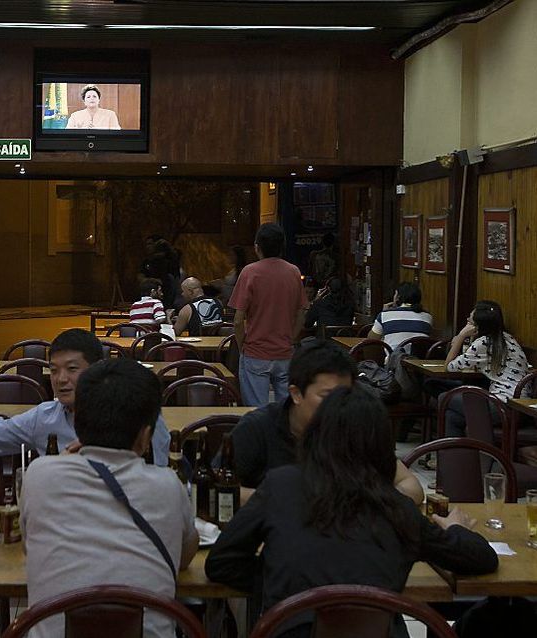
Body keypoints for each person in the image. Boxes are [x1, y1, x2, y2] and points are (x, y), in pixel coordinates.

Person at [206, 386, 498, 638]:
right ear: (383, 446)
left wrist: (276, 578)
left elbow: (220, 562)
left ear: (316, 436)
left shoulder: (282, 485)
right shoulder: (397, 509)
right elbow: (482, 559)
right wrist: (456, 527)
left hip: (285, 629)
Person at [21, 358, 199, 638]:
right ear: (146, 436)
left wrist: (62, 462)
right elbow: (185, 557)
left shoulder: (38, 475)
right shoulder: (168, 485)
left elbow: (28, 544)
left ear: (78, 425)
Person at [0, 329, 172, 486]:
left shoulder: (137, 416)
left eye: (72, 370)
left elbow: (156, 476)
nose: (61, 380)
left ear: (98, 370)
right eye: (54, 371)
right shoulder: (46, 417)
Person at [229, 340, 423, 505]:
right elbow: (215, 491)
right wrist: (295, 500)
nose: (339, 403)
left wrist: (364, 503)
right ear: (296, 393)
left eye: (346, 394)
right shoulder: (257, 428)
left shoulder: (354, 426)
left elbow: (411, 487)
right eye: (327, 395)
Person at [230, 223, 308, 407]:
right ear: (282, 246)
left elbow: (238, 320)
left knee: (257, 411)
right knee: (287, 411)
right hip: (284, 351)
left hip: (255, 351)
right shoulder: (294, 272)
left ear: (257, 247)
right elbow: (301, 314)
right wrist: (291, 339)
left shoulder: (249, 272)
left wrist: (243, 346)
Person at [441, 300, 529, 438]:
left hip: (503, 407)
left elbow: (449, 367)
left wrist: (461, 336)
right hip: (520, 408)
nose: (467, 321)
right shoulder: (508, 338)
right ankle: (462, 456)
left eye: (470, 321)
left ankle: (472, 454)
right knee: (453, 417)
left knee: (444, 398)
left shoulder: (483, 343)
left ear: (476, 327)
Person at [368, 282, 433, 352]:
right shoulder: (428, 316)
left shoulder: (384, 315)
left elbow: (371, 340)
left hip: (394, 361)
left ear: (397, 297)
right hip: (419, 361)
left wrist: (384, 313)